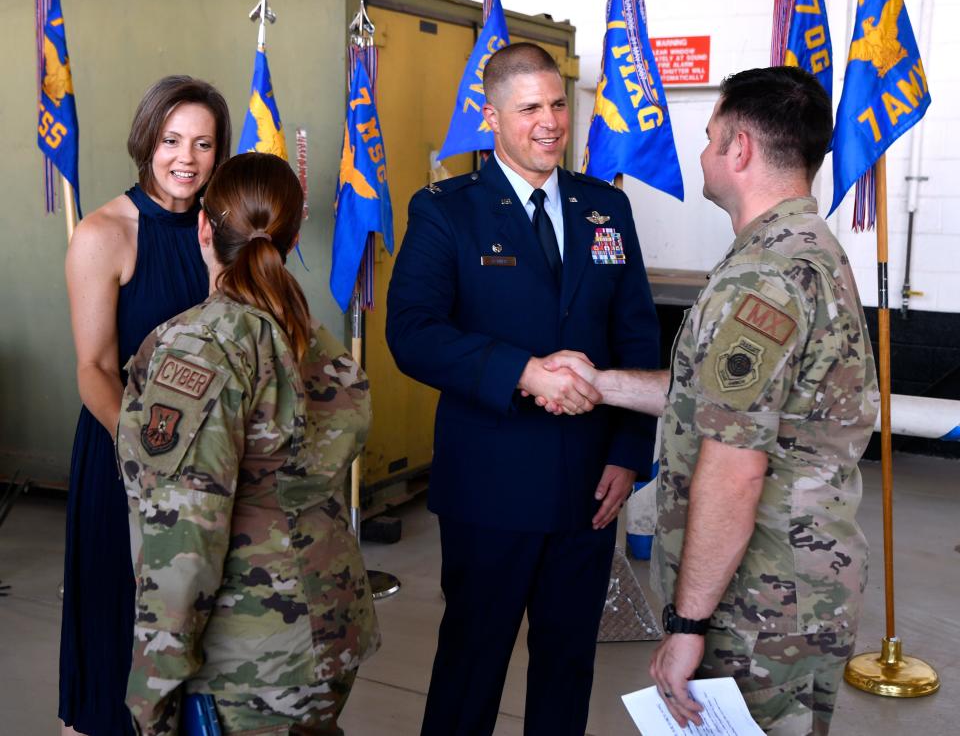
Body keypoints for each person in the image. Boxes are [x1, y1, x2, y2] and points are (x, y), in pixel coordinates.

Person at [540, 66, 880, 736]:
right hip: (801, 585)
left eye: (708, 137)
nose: (701, 154)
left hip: (758, 603)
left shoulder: (764, 278)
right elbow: (718, 399)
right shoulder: (805, 250)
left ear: (741, 150)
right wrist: (599, 381)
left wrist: (688, 624)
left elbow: (734, 466)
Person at [386, 42, 660, 735]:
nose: (550, 122)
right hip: (491, 484)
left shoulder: (605, 208)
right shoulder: (448, 209)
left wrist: (629, 454)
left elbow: (638, 339)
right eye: (530, 107)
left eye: (559, 104)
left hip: (589, 488)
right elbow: (413, 332)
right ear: (492, 115)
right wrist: (524, 371)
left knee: (569, 666)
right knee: (472, 663)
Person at [116, 152, 380, 735]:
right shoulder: (314, 338)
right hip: (330, 630)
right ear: (289, 237)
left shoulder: (197, 347)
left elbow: (184, 537)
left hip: (246, 658)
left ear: (204, 228)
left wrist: (152, 690)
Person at [61, 75, 231, 736]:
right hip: (127, 463)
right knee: (117, 643)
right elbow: (95, 370)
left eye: (203, 143)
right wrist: (153, 463)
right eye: (171, 140)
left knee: (195, 649)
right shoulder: (105, 233)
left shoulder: (223, 231)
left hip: (212, 473)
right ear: (147, 141)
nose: (185, 158)